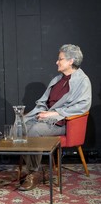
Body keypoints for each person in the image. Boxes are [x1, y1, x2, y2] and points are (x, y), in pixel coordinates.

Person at [20, 44, 92, 191]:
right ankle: (33, 168)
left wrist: (54, 114)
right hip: (48, 119)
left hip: (64, 123)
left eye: (60, 59)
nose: (56, 62)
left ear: (71, 61)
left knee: (35, 130)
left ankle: (34, 172)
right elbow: (44, 101)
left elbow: (83, 106)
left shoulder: (82, 81)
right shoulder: (58, 79)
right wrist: (38, 112)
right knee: (22, 125)